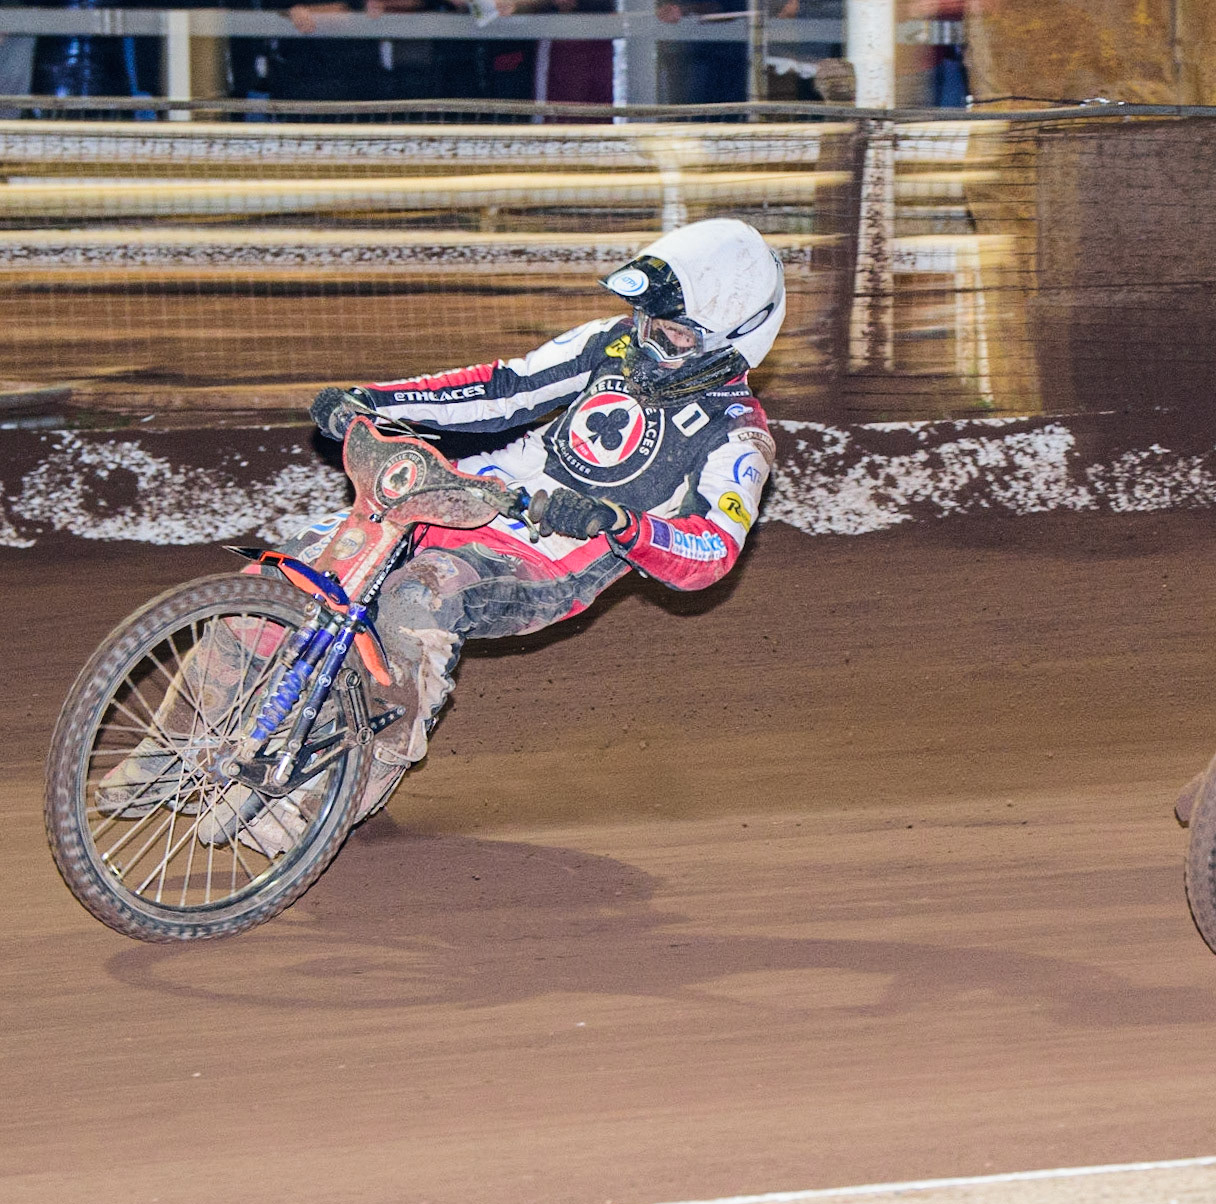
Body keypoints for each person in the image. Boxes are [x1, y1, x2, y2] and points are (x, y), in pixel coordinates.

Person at [109, 218, 784, 848]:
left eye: (671, 330)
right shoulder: (608, 344)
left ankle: (329, 799)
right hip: (474, 494)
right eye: (644, 317)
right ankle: (179, 747)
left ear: (732, 338)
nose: (645, 335)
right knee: (283, 576)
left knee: (414, 601)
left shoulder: (738, 435)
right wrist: (374, 400)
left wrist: (621, 523)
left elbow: (711, 552)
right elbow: (501, 387)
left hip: (551, 558)